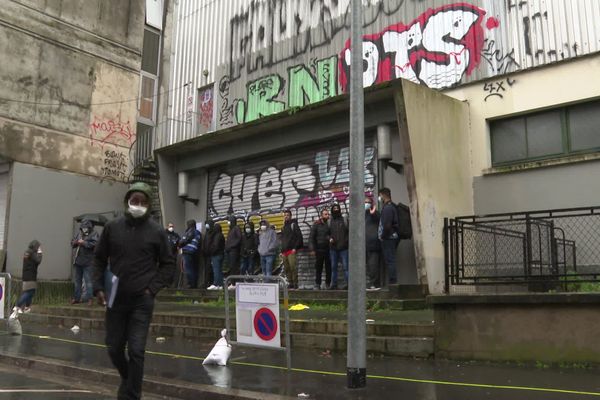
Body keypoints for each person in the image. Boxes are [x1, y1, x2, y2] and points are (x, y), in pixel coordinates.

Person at [92, 182, 175, 400]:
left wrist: (152, 289)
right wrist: (98, 287)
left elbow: (168, 264)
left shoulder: (157, 231)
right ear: (127, 201)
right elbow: (99, 259)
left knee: (137, 350)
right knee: (113, 347)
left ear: (148, 205)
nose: (138, 205)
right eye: (134, 200)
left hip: (142, 300)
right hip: (116, 298)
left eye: (143, 201)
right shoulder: (112, 227)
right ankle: (128, 380)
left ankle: (132, 395)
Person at [11, 240, 43, 317]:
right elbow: (38, 261)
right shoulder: (32, 253)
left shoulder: (27, 252)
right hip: (31, 276)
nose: (39, 248)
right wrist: (40, 253)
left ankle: (26, 308)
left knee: (30, 292)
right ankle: (17, 306)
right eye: (38, 247)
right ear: (36, 246)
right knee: (29, 292)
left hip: (25, 275)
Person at [71, 219, 99, 305]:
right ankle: (77, 298)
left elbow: (96, 244)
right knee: (77, 281)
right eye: (83, 228)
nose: (84, 229)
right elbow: (72, 242)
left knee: (88, 281)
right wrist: (76, 242)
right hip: (78, 260)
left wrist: (84, 243)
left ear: (89, 227)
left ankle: (90, 299)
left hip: (88, 261)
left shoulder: (94, 233)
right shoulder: (79, 234)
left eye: (86, 227)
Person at [378, 187, 400, 285]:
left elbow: (387, 225)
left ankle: (392, 282)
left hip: (388, 238)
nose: (379, 198)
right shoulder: (391, 206)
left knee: (390, 260)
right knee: (390, 259)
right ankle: (392, 281)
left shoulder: (388, 208)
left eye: (379, 195)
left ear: (383, 195)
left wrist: (383, 236)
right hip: (390, 237)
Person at [280, 209, 303, 289]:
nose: (286, 216)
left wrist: (295, 248)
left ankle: (295, 283)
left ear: (290, 216)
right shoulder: (283, 227)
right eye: (285, 215)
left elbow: (299, 237)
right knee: (286, 268)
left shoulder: (294, 225)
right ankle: (290, 283)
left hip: (291, 250)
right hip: (284, 251)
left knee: (293, 267)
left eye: (287, 215)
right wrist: (281, 251)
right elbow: (282, 239)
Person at [309, 208, 331, 290]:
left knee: (329, 268)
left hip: (329, 249)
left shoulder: (330, 223)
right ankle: (317, 284)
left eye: (328, 214)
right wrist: (312, 249)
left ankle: (328, 284)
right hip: (319, 250)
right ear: (321, 215)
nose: (327, 216)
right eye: (325, 214)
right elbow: (311, 237)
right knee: (319, 268)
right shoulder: (316, 224)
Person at [329, 203, 349, 290]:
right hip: (333, 248)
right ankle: (334, 284)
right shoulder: (330, 221)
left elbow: (349, 231)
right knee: (333, 267)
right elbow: (326, 233)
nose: (336, 210)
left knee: (346, 267)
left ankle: (349, 283)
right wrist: (329, 238)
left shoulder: (344, 219)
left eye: (337, 208)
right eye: (334, 208)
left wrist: (346, 241)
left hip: (343, 248)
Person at [365, 197, 381, 291]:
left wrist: (373, 213)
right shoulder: (363, 214)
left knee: (373, 264)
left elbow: (379, 219)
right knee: (369, 265)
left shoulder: (374, 213)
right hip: (365, 245)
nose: (366, 204)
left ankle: (375, 284)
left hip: (374, 244)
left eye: (368, 202)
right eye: (365, 202)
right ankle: (370, 283)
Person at [179, 219, 201, 289]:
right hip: (194, 253)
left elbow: (186, 239)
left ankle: (190, 286)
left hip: (188, 252)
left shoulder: (191, 231)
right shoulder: (198, 233)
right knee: (193, 269)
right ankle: (193, 285)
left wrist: (180, 243)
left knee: (188, 269)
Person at [205, 220, 225, 290]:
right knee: (219, 270)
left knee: (216, 269)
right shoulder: (221, 235)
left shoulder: (217, 236)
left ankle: (216, 284)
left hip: (216, 255)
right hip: (220, 254)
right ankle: (220, 285)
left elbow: (215, 246)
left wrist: (211, 252)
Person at [224, 215, 242, 289]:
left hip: (234, 251)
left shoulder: (236, 228)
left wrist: (232, 246)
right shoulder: (230, 229)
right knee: (231, 267)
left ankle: (234, 283)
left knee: (234, 267)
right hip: (229, 251)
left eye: (229, 220)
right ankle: (232, 282)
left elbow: (239, 238)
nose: (228, 222)